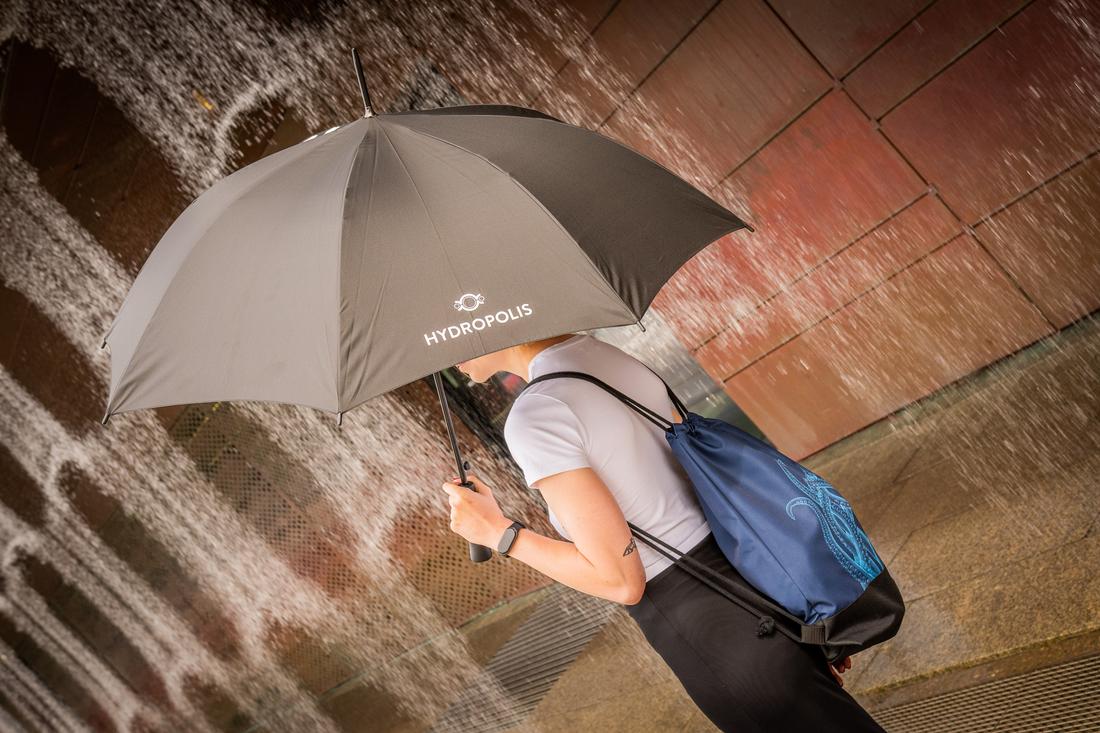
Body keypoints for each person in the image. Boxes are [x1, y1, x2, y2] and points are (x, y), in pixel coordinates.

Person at [440, 332, 886, 732]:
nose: (444, 354)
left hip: (711, 632)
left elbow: (620, 580)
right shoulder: (605, 357)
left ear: (484, 320)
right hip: (762, 589)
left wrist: (500, 532)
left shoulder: (535, 416)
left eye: (448, 333)